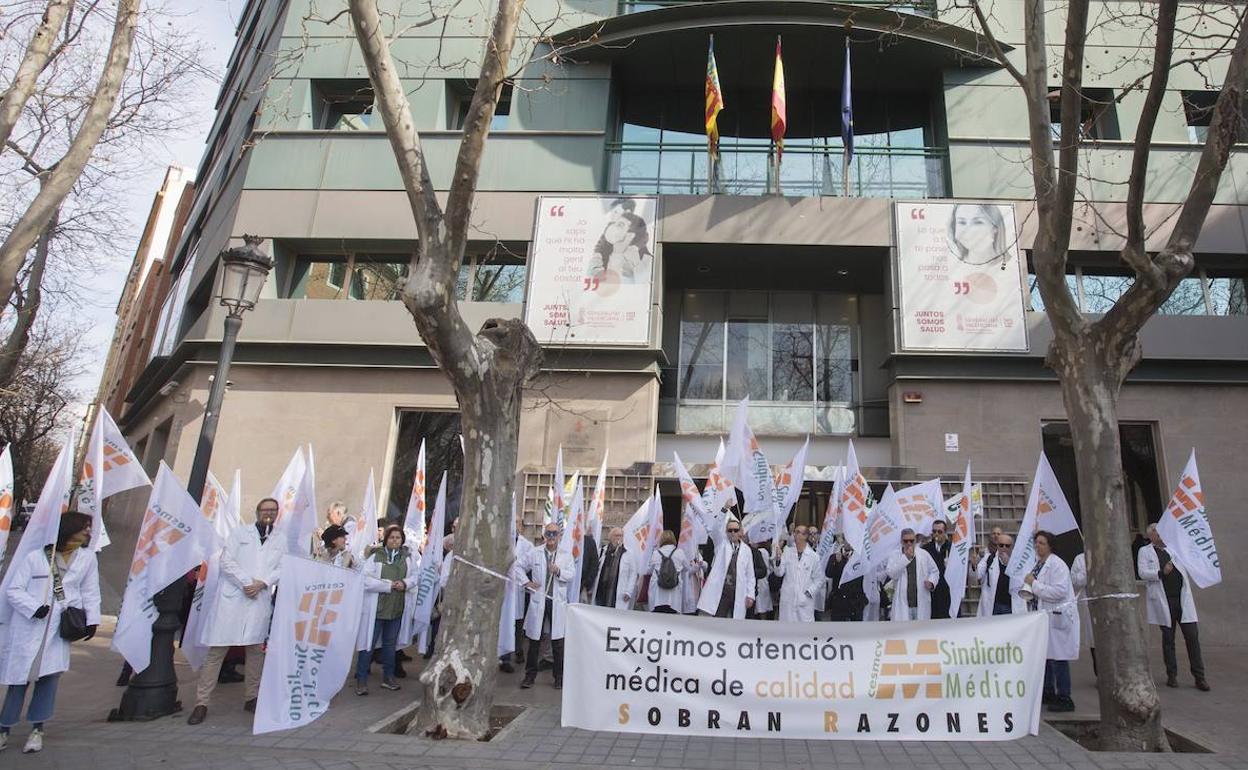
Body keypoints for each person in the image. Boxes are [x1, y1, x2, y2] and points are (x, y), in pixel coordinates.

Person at [0, 512, 99, 754]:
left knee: (49, 680)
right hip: (30, 627)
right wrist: (33, 608)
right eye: (84, 527)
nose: (88, 532)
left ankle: (37, 730)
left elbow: (90, 590)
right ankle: (4, 729)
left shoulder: (87, 559)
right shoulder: (36, 557)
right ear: (69, 529)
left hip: (58, 629)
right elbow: (13, 589)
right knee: (18, 682)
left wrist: (92, 620)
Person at [188, 499, 283, 725]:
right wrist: (246, 582)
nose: (269, 513)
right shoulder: (240, 533)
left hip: (259, 598)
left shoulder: (281, 538)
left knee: (255, 652)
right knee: (216, 653)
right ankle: (201, 702)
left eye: (273, 510)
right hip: (233, 597)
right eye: (265, 510)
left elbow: (282, 566)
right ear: (258, 512)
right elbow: (226, 561)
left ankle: (252, 697)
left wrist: (263, 583)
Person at [1137, 524, 1208, 691]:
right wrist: (1161, 572)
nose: (1159, 535)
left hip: (1182, 600)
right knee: (1168, 640)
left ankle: (1199, 677)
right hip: (1164, 601)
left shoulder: (1175, 548)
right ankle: (1172, 675)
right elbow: (1142, 572)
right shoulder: (1145, 552)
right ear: (1150, 536)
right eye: (1155, 532)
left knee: (1192, 637)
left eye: (1160, 531)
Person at [1023, 530, 1078, 712]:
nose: (1038, 546)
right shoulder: (1039, 564)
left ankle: (1064, 696)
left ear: (1050, 546)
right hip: (1043, 616)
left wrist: (1034, 585)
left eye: (1042, 543)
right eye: (1036, 543)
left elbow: (1058, 592)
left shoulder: (1057, 565)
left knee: (1059, 658)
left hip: (1057, 616)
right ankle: (1048, 692)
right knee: (1045, 656)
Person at [354, 526, 413, 694]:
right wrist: (389, 585)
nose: (395, 540)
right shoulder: (375, 557)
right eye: (392, 537)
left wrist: (405, 584)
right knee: (368, 644)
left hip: (396, 608)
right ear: (386, 539)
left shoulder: (406, 558)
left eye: (398, 538)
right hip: (376, 609)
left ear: (402, 540)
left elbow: (415, 576)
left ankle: (388, 677)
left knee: (390, 645)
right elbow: (365, 580)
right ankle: (361, 679)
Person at [520, 523, 573, 690]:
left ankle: (559, 677)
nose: (551, 537)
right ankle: (529, 676)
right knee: (535, 639)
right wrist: (527, 582)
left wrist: (558, 571)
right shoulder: (535, 552)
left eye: (554, 534)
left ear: (559, 536)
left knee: (557, 641)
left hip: (556, 601)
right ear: (544, 535)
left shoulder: (565, 555)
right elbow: (518, 566)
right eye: (548, 533)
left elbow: (571, 574)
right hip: (539, 600)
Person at [696, 516, 756, 619]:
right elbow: (715, 529)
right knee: (718, 619)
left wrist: (750, 594)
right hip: (722, 591)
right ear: (726, 532)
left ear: (740, 532)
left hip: (737, 591)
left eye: (736, 530)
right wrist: (724, 510)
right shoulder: (721, 544)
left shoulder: (746, 550)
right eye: (730, 530)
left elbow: (750, 575)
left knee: (734, 623)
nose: (733, 533)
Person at [501, 513, 535, 673]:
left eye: (517, 523)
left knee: (518, 624)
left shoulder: (527, 545)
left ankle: (518, 649)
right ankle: (505, 657)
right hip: (503, 589)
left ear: (521, 526)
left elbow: (530, 566)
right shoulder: (500, 542)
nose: (515, 526)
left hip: (519, 589)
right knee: (505, 621)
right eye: (512, 522)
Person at [885, 528, 938, 621]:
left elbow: (934, 571)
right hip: (903, 604)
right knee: (903, 633)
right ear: (901, 541)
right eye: (906, 541)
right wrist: (905, 558)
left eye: (911, 541)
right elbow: (892, 574)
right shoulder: (895, 555)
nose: (909, 543)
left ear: (915, 541)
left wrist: (931, 582)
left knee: (920, 633)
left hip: (920, 602)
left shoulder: (924, 554)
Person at [774, 525, 822, 623]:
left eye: (797, 532)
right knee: (787, 632)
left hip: (804, 602)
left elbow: (819, 579)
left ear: (805, 536)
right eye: (794, 532)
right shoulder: (787, 552)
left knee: (804, 633)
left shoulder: (813, 556)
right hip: (788, 600)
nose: (794, 534)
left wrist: (808, 593)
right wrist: (778, 559)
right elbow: (779, 573)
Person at [947, 203, 1011, 269]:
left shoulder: (1009, 265)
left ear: (995, 228)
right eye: (962, 222)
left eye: (978, 222)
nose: (968, 230)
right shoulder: (953, 265)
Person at [973, 533, 1024, 615]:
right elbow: (978, 575)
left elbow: (1021, 583)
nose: (1004, 548)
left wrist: (1008, 564)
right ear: (997, 546)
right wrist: (974, 564)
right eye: (1001, 545)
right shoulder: (989, 558)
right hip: (993, 605)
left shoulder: (1018, 562)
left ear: (1012, 547)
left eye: (1007, 546)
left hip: (1010, 605)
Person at [592, 527, 635, 609]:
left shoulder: (628, 553)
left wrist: (629, 591)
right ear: (611, 537)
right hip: (601, 589)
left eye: (621, 536)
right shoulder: (602, 551)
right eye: (616, 535)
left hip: (618, 591)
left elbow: (633, 573)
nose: (619, 538)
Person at [823, 542, 867, 621]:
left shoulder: (859, 558)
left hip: (855, 601)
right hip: (839, 601)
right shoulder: (834, 556)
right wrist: (836, 562)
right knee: (838, 630)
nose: (849, 543)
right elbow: (828, 574)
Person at [647, 531, 687, 614]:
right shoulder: (680, 552)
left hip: (658, 593)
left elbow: (649, 571)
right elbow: (687, 569)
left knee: (657, 616)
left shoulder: (656, 553)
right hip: (674, 592)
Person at [1070, 550, 1095, 674]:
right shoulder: (1079, 559)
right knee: (1094, 639)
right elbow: (1074, 580)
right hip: (1088, 601)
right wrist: (1087, 571)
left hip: (1107, 602)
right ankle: (1099, 672)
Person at [923, 519, 953, 618]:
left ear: (945, 533)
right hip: (931, 592)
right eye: (934, 531)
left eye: (939, 532)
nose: (936, 534)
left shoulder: (952, 548)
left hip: (947, 591)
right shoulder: (925, 549)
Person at [751, 539, 775, 620]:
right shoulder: (765, 551)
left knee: (761, 605)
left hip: (761, 581)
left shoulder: (762, 551)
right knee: (761, 605)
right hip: (764, 581)